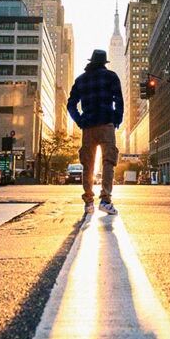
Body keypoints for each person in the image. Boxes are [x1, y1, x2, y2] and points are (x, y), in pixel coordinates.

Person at [66, 49, 123, 216]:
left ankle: (88, 202)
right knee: (108, 161)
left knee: (88, 164)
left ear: (91, 61)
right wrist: (117, 119)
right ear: (104, 63)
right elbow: (119, 101)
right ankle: (105, 200)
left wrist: (79, 120)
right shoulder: (111, 77)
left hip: (88, 125)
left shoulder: (81, 80)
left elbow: (71, 104)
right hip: (106, 124)